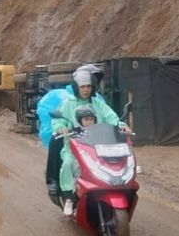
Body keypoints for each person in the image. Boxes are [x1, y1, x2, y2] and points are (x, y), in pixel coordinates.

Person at [51, 65, 130, 216]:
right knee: (68, 164)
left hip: (98, 146)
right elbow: (58, 121)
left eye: (88, 86)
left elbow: (111, 117)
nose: (86, 89)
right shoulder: (68, 103)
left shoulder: (98, 103)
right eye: (82, 86)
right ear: (76, 87)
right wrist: (61, 127)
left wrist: (121, 125)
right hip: (73, 147)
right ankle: (69, 197)